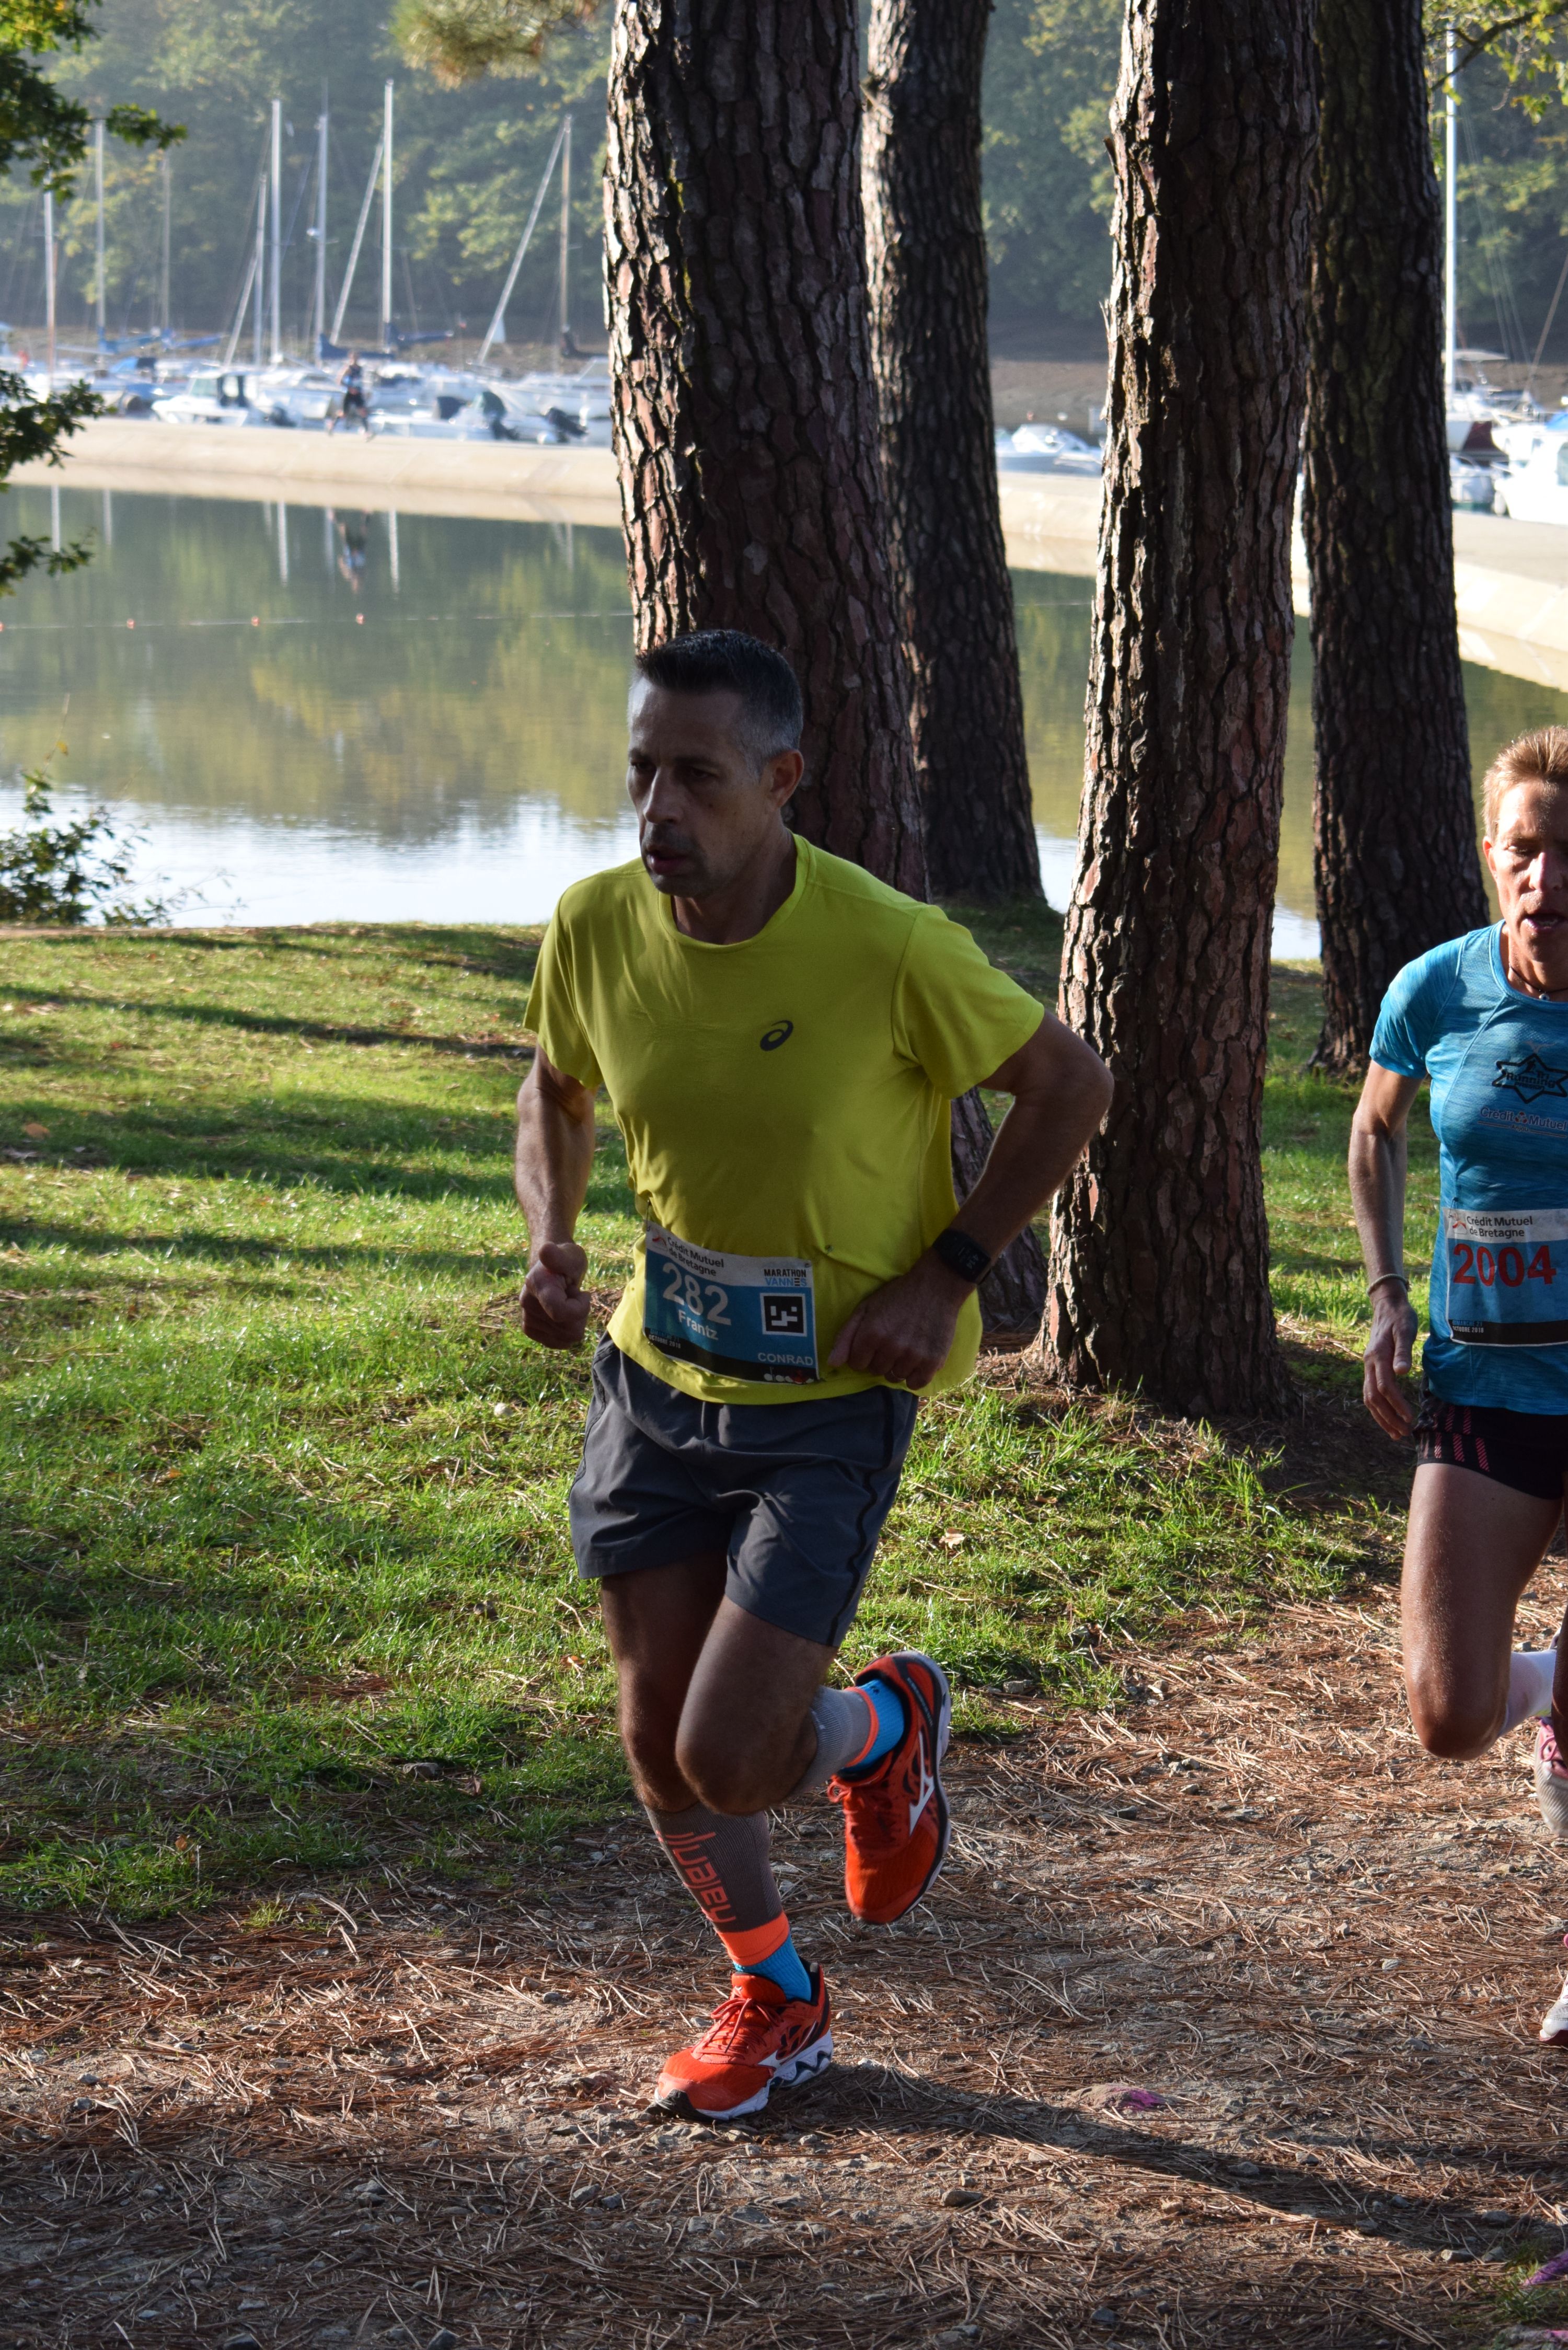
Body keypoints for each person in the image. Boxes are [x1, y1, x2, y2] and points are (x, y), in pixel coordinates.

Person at [514, 629, 1112, 2120]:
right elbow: (556, 1087)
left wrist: (949, 1271)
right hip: (657, 1379)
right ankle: (776, 1994)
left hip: (829, 1400)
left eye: (697, 777)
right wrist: (550, 1241)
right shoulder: (595, 924)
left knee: (731, 1754)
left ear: (781, 779)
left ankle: (880, 1728)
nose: (659, 809)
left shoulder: (887, 945)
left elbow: (1069, 1084)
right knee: (656, 1741)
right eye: (641, 773)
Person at [1352, 724, 1568, 2046]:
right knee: (1448, 1715)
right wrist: (1386, 1295)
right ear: (1492, 855)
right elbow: (1374, 1131)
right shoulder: (1436, 989)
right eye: (1525, 849)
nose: (1547, 876)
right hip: (1481, 1388)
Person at [329, 353, 370, 437]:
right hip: (348, 393)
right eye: (354, 358)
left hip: (358, 393)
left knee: (363, 412)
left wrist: (362, 390)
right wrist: (350, 388)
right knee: (344, 413)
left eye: (357, 358)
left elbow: (360, 382)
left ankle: (366, 432)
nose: (355, 359)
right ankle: (332, 424)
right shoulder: (348, 368)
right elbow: (339, 381)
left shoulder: (360, 369)